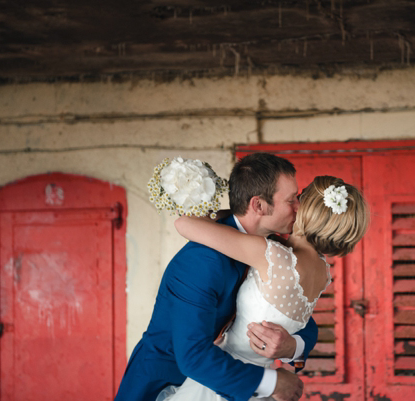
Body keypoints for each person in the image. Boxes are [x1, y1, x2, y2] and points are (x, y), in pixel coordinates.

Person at [115, 153, 319, 401]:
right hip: (167, 385)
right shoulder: (201, 260)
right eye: (291, 200)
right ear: (258, 205)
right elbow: (192, 356)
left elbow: (302, 317)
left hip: (233, 386)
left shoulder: (278, 252)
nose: (299, 207)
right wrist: (272, 382)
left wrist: (292, 346)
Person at [159, 174, 370, 401]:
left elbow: (185, 224)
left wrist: (236, 212)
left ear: (306, 211)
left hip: (228, 377)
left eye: (298, 199)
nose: (294, 204)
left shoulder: (273, 257)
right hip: (261, 381)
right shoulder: (322, 271)